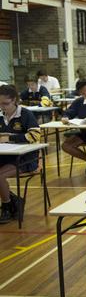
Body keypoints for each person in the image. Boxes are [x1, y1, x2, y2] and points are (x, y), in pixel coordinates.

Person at [0, 85, 41, 224]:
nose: (2, 107)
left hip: (25, 158)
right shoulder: (0, 115)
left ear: (15, 100)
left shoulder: (25, 114)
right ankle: (15, 201)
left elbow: (35, 135)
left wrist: (10, 137)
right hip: (5, 157)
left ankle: (6, 205)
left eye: (5, 103)